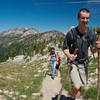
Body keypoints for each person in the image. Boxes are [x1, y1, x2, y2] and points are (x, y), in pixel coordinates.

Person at [63, 8, 100, 100]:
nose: (85, 21)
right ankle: (71, 97)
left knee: (80, 86)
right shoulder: (71, 33)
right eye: (83, 18)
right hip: (73, 62)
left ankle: (75, 98)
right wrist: (69, 55)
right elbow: (64, 48)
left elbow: (93, 50)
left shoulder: (91, 34)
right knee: (77, 86)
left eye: (87, 18)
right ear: (78, 18)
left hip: (84, 63)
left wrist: (97, 47)